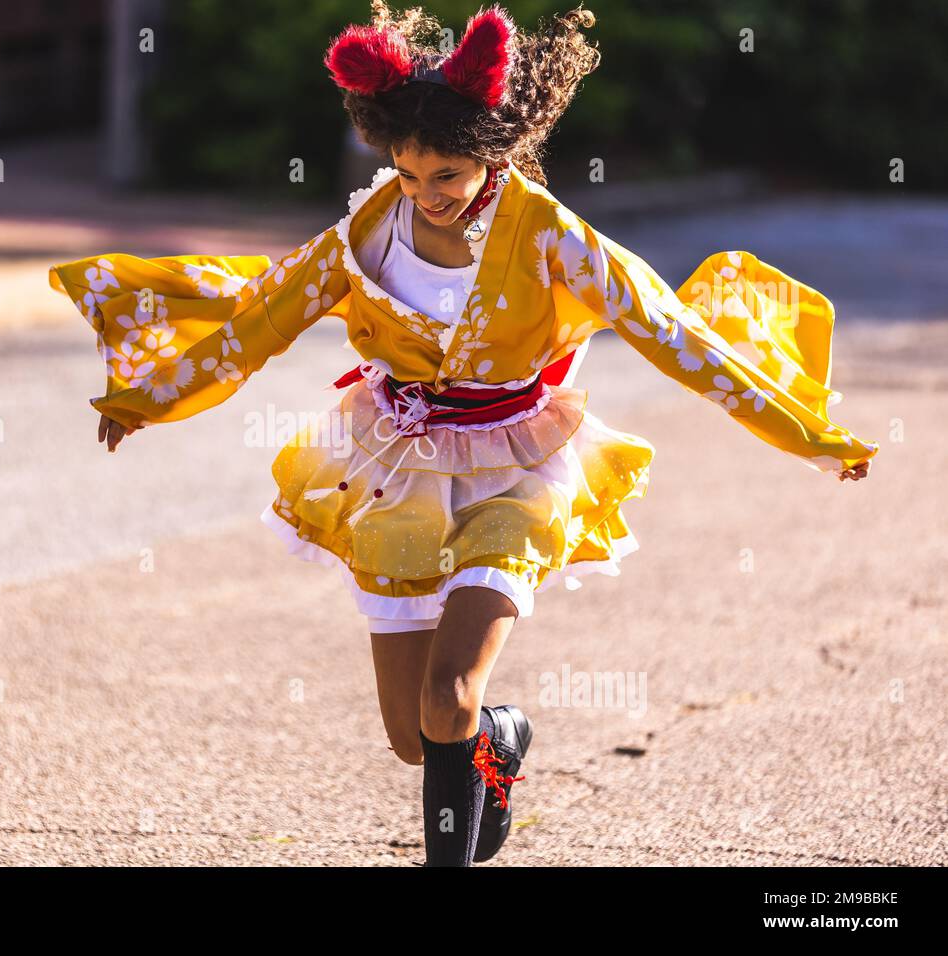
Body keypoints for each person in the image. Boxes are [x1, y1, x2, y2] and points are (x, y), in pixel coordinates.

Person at [49, 2, 876, 867]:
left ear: (494, 154)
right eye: (408, 174)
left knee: (448, 696)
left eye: (446, 174)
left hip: (516, 467)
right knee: (418, 734)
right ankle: (502, 734)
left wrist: (809, 435)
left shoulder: (551, 236)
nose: (426, 195)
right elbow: (257, 322)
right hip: (395, 469)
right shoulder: (367, 233)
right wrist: (145, 400)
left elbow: (678, 337)